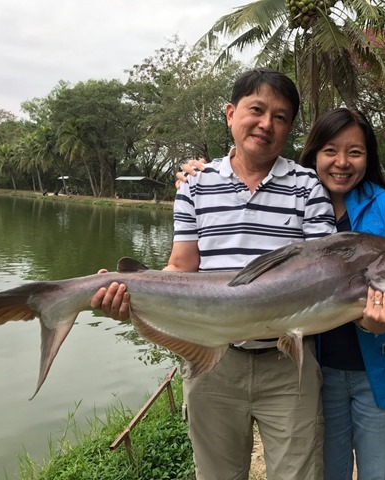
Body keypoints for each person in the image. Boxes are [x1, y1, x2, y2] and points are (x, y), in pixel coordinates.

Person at [91, 68, 336, 480]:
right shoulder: (195, 184)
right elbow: (181, 267)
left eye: (280, 117)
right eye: (256, 110)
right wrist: (134, 296)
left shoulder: (308, 186)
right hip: (212, 363)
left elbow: (324, 270)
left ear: (290, 129)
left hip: (288, 366)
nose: (266, 124)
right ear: (230, 113)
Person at [179, 107, 385, 480]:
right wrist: (203, 176)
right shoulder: (297, 200)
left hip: (381, 370)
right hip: (320, 373)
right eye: (330, 150)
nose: (342, 163)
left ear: (369, 157)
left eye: (355, 152)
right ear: (313, 153)